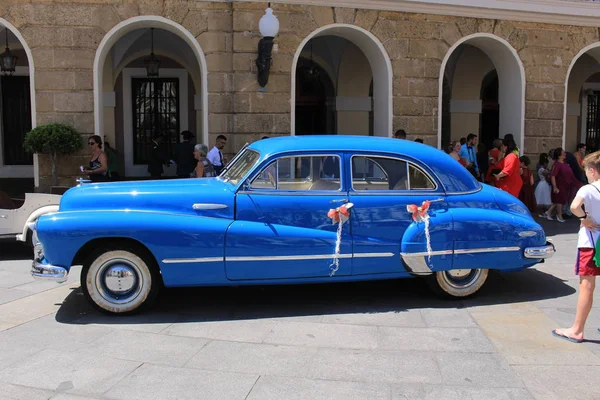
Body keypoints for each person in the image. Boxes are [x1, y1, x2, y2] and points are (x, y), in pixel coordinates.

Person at [552, 151, 600, 343]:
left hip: (591, 241)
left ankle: (577, 330)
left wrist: (584, 219)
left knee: (587, 286)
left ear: (592, 170)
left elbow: (574, 206)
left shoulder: (588, 189)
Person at [548, 147, 582, 222]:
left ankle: (548, 212)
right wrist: (555, 187)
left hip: (566, 184)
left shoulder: (565, 163)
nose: (565, 154)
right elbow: (553, 176)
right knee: (560, 201)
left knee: (560, 201)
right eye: (563, 153)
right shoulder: (557, 164)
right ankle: (559, 215)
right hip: (560, 185)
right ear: (559, 155)